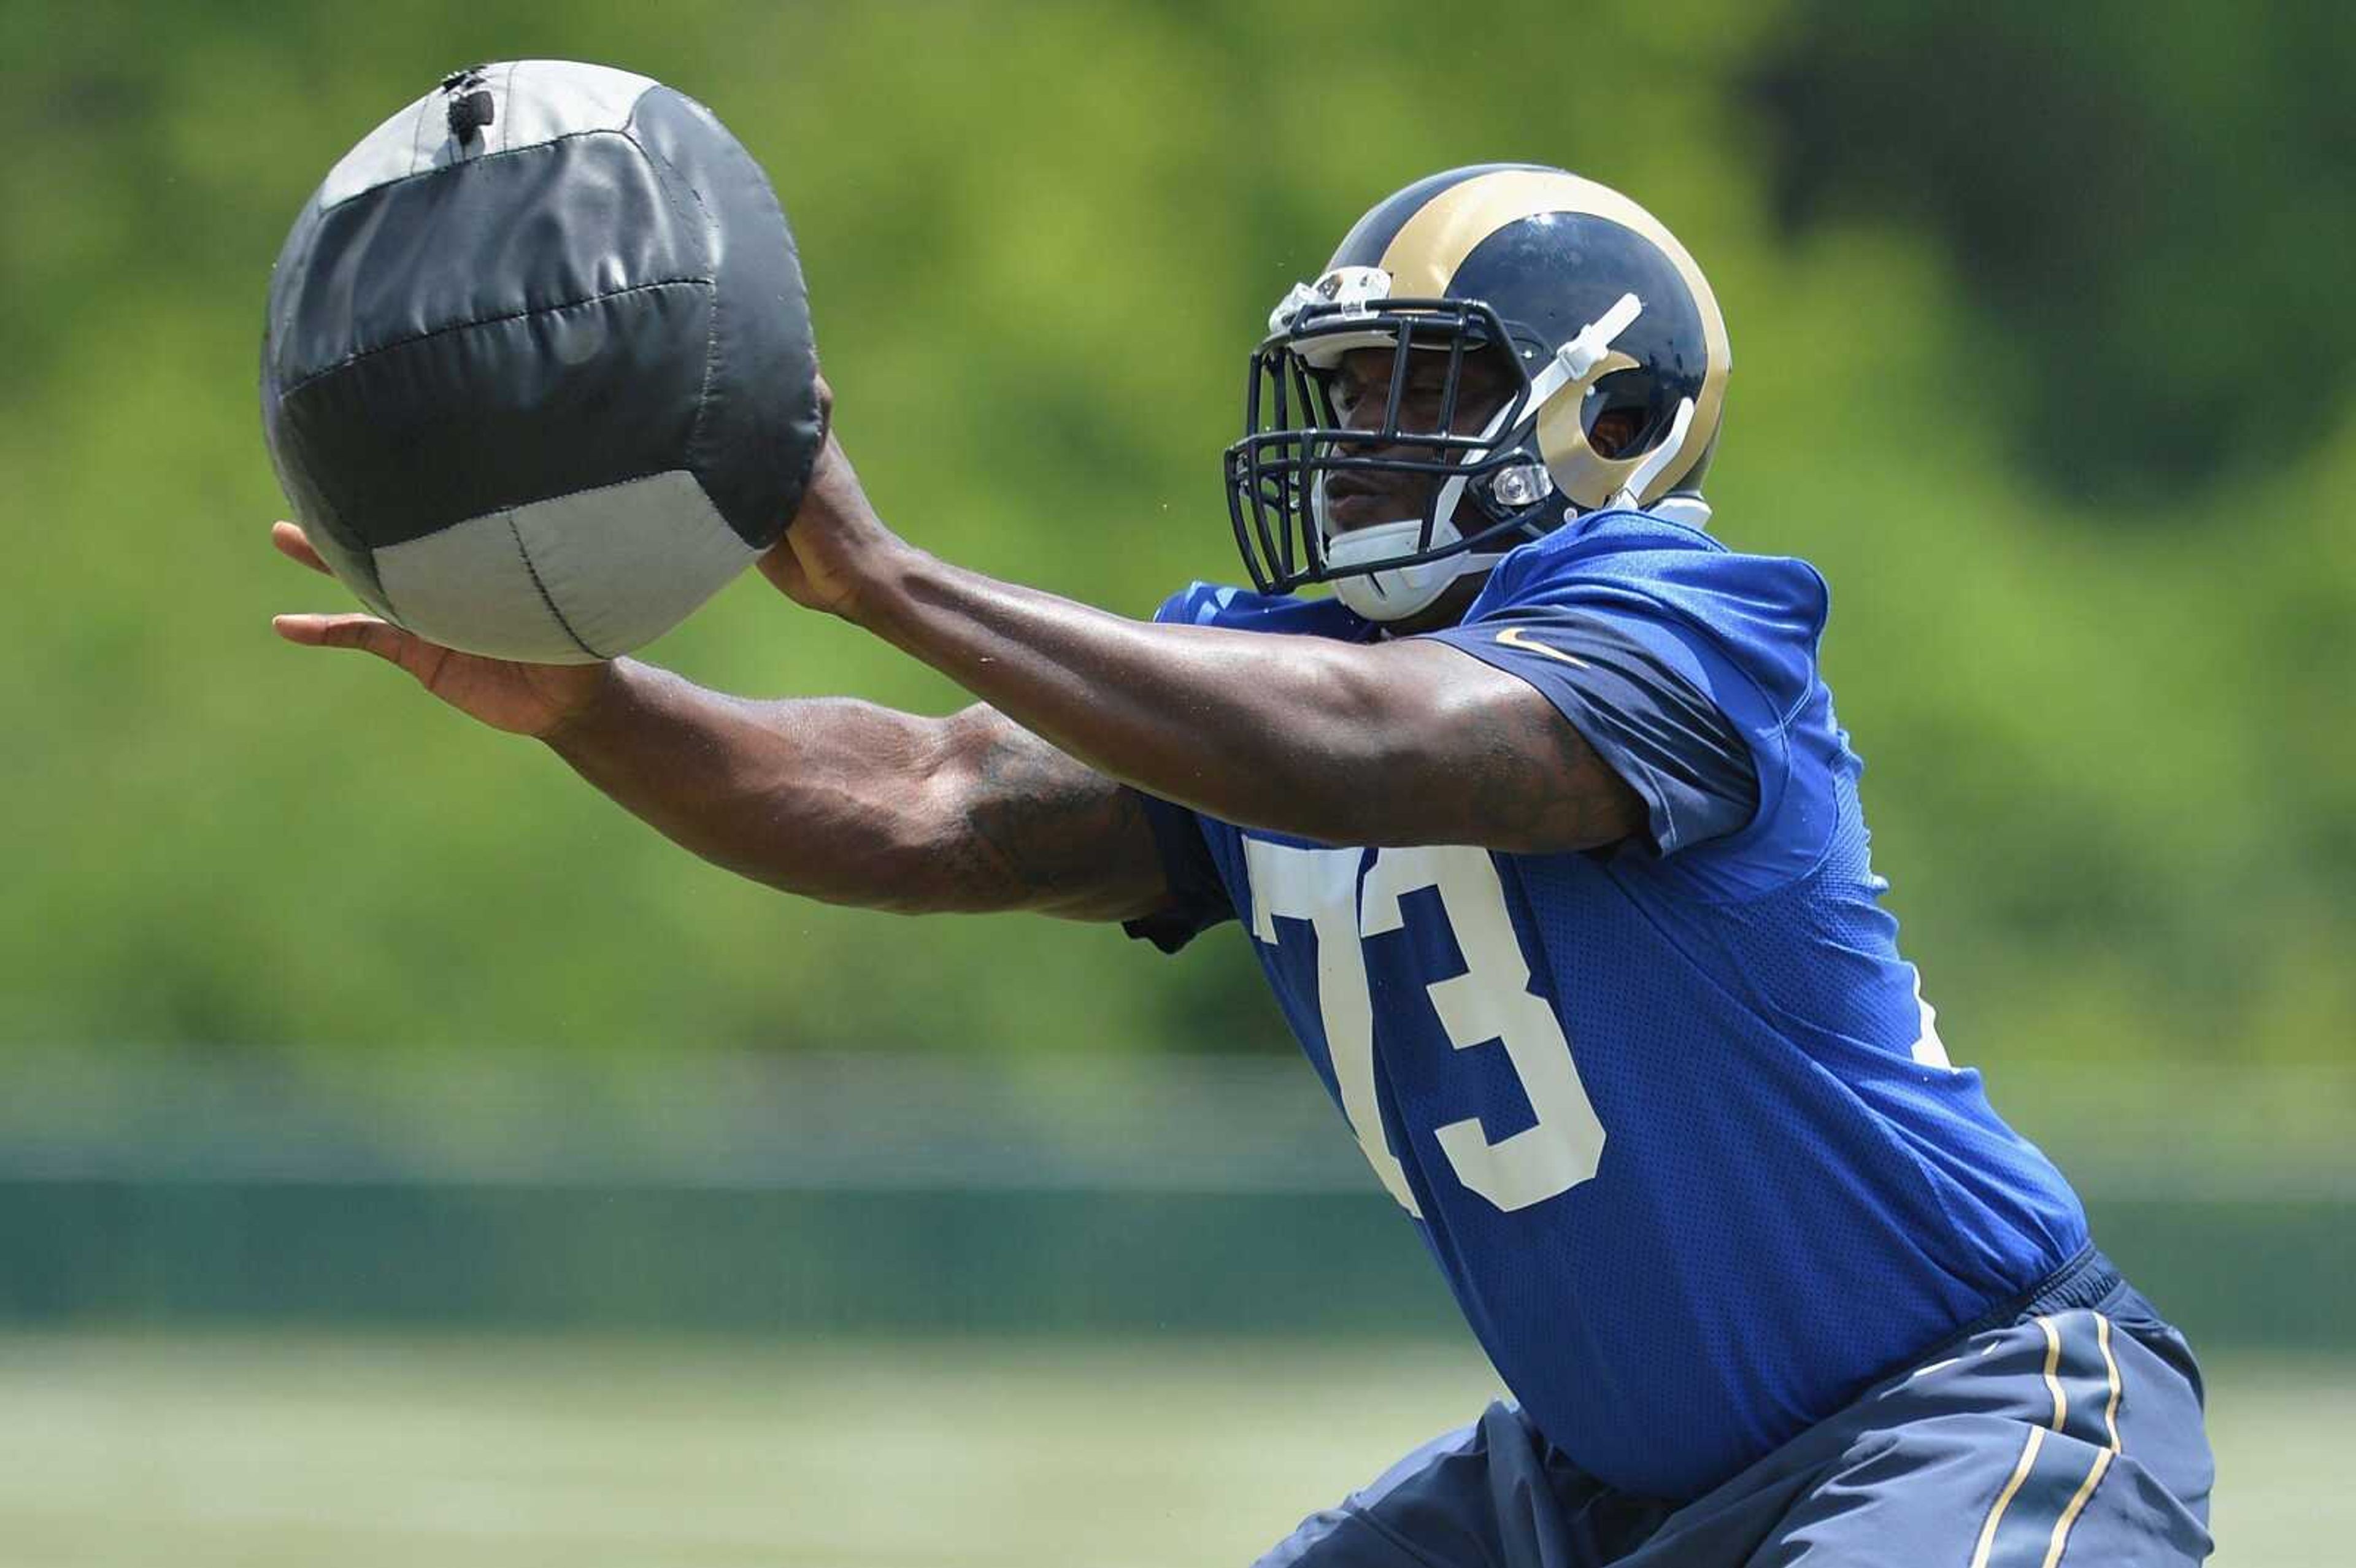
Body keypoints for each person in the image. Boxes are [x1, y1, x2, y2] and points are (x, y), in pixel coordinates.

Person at [269, 164, 2215, 1566]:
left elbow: (1384, 755)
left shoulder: (1686, 625)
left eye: (1420, 391)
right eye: (1346, 388)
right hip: (1598, 1489)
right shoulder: (1271, 671)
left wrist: (890, 577)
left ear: (1614, 422)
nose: (1358, 438)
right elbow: (927, 805)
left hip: (1959, 1412)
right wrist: (592, 706)